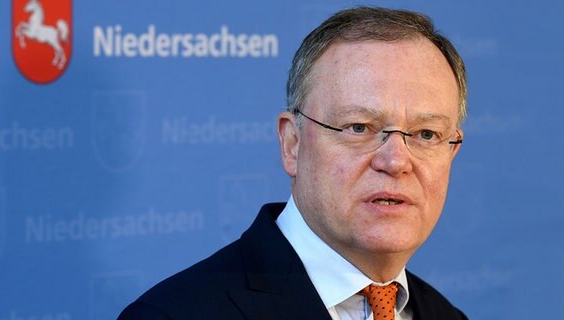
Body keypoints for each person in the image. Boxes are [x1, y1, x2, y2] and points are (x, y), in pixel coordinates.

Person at [119, 6, 468, 320]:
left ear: (452, 151)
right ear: (292, 144)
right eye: (359, 127)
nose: (395, 161)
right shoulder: (174, 315)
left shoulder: (446, 316)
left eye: (426, 134)